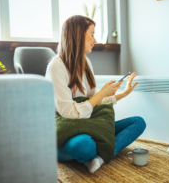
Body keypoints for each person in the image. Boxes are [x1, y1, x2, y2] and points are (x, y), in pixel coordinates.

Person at [45, 15, 146, 174]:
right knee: (85, 146)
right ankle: (61, 151)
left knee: (138, 122)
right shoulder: (56, 66)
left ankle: (99, 158)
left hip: (88, 122)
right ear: (78, 35)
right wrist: (101, 94)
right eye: (92, 34)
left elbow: (94, 100)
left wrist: (123, 93)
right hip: (67, 126)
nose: (95, 40)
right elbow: (68, 112)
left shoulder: (85, 63)